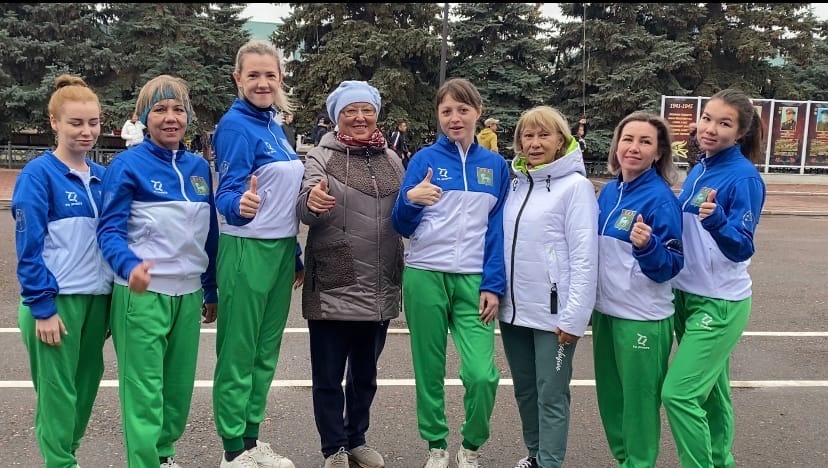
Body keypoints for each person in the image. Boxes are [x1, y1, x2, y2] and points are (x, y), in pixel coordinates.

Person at [96, 74, 219, 468]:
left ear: (188, 117)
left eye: (178, 109)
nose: (170, 118)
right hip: (142, 294)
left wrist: (211, 288)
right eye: (160, 110)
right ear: (143, 117)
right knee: (144, 392)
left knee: (177, 391)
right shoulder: (127, 165)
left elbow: (209, 233)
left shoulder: (198, 167)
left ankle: (164, 457)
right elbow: (109, 230)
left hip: (188, 295)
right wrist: (129, 265)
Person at [391, 77, 511, 468]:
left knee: (482, 375)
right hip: (425, 274)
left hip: (474, 279)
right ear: (438, 116)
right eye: (446, 111)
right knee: (428, 369)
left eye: (463, 109)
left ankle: (471, 446)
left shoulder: (495, 166)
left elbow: (498, 230)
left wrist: (494, 284)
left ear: (478, 112)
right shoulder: (423, 160)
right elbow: (400, 224)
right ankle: (437, 446)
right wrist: (411, 200)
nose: (455, 118)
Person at [297, 80, 405, 468]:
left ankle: (356, 438)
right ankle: (334, 448)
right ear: (336, 117)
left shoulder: (392, 159)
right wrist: (313, 201)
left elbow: (406, 214)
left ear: (376, 114)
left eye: (367, 110)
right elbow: (304, 207)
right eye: (350, 111)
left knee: (365, 375)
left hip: (380, 285)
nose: (360, 117)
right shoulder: (321, 156)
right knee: (328, 376)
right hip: (333, 281)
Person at [661, 88, 767, 468]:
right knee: (714, 393)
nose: (710, 128)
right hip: (685, 294)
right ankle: (721, 461)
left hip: (719, 301)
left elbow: (742, 247)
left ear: (740, 132)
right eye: (707, 118)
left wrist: (719, 222)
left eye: (724, 123)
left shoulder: (744, 178)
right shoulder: (701, 167)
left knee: (679, 394)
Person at [211, 39, 304, 468]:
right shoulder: (235, 126)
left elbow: (283, 197)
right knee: (238, 353)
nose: (262, 82)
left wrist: (295, 252)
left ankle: (251, 440)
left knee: (265, 353)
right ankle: (232, 450)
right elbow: (227, 193)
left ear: (280, 77)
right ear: (238, 78)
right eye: (253, 75)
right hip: (246, 249)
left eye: (270, 75)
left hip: (280, 251)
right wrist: (239, 206)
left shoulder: (274, 126)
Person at [12, 74, 113, 468]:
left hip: (96, 301)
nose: (86, 131)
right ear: (54, 122)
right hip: (56, 303)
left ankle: (67, 456)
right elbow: (28, 247)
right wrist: (42, 306)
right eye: (76, 122)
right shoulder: (38, 174)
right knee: (57, 396)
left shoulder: (103, 177)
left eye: (93, 122)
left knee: (84, 391)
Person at [498, 105, 598, 468]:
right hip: (514, 311)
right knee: (525, 391)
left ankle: (550, 462)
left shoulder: (576, 187)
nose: (535, 143)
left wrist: (575, 317)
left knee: (551, 394)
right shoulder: (515, 184)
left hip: (555, 316)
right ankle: (535, 454)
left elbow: (585, 256)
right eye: (528, 135)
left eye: (544, 135)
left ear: (561, 140)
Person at [593, 111, 684, 468]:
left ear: (658, 153)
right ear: (616, 146)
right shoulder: (609, 192)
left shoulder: (660, 199)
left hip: (642, 318)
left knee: (640, 405)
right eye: (627, 139)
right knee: (612, 401)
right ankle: (625, 461)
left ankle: (639, 463)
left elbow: (671, 265)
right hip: (606, 314)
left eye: (645, 142)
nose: (633, 147)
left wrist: (648, 247)